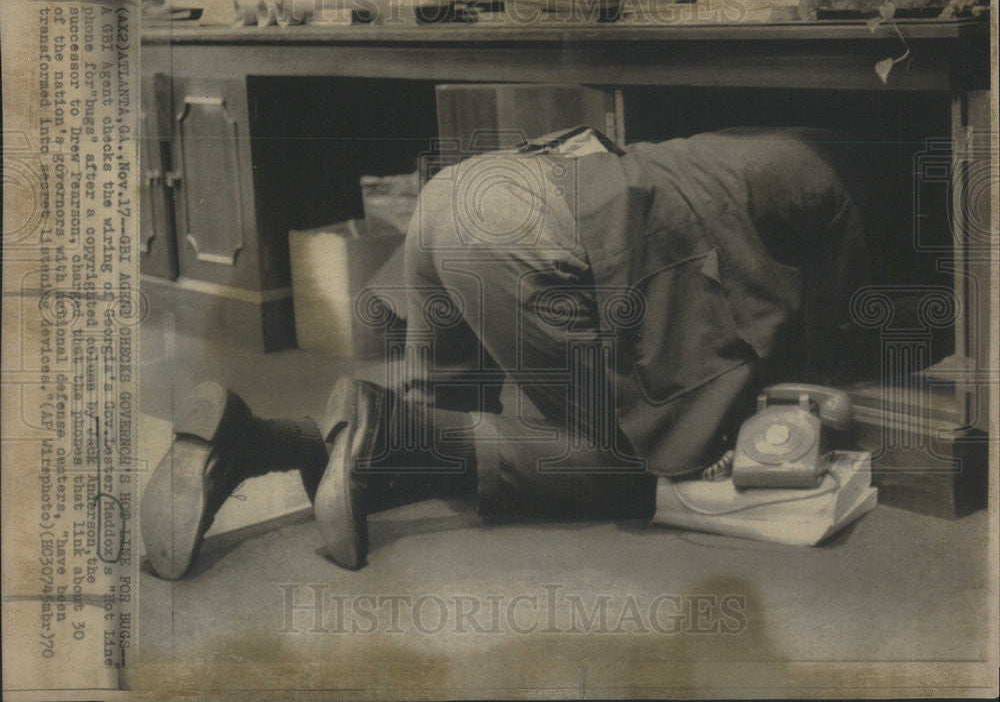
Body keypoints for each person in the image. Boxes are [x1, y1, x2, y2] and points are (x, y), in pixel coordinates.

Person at [141, 126, 872, 580]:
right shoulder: (831, 182)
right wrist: (804, 385)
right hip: (520, 231)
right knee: (629, 461)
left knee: (434, 435)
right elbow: (790, 322)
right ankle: (368, 427)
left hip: (455, 195)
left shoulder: (731, 146)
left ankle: (251, 439)